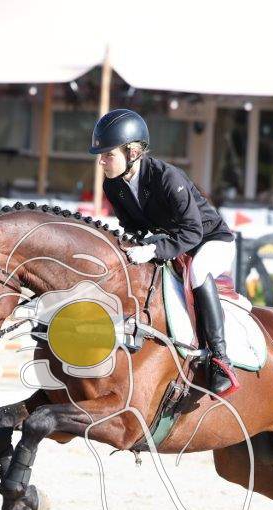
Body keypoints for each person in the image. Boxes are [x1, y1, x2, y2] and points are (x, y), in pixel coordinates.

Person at [91, 108, 238, 397]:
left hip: (211, 241)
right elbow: (132, 227)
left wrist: (153, 249)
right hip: (171, 243)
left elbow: (193, 232)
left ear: (132, 152)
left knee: (198, 271)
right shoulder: (113, 185)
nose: (101, 161)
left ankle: (220, 359)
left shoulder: (167, 178)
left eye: (108, 154)